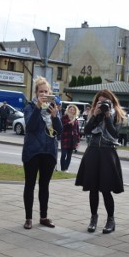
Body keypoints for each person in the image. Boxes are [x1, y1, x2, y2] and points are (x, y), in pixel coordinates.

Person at [76, 89, 125, 234]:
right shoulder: (94, 112)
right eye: (99, 102)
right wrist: (96, 114)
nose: (102, 104)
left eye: (105, 102)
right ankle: (93, 219)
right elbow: (87, 131)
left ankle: (111, 220)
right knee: (93, 188)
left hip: (107, 151)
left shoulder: (116, 114)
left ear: (111, 102)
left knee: (105, 189)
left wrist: (108, 116)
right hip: (92, 151)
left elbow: (114, 134)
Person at [21, 76, 62, 229]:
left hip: (49, 152)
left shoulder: (54, 107)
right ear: (36, 93)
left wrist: (55, 116)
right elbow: (30, 127)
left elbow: (59, 131)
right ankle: (28, 218)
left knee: (44, 186)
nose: (44, 94)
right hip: (32, 152)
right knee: (30, 185)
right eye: (41, 92)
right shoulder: (30, 107)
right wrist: (38, 107)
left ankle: (43, 217)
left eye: (46, 91)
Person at [60, 104, 80, 171]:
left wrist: (77, 141)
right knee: (63, 154)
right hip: (65, 138)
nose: (72, 111)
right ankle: (62, 168)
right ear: (68, 110)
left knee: (69, 155)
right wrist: (69, 123)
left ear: (75, 111)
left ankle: (66, 169)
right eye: (70, 109)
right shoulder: (64, 117)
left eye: (73, 110)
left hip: (72, 139)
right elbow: (61, 127)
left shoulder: (76, 119)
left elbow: (77, 130)